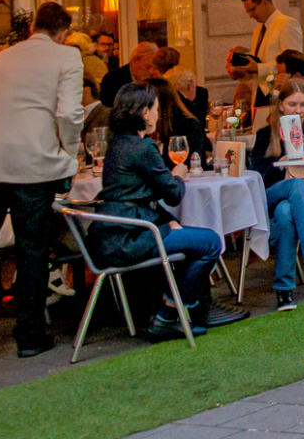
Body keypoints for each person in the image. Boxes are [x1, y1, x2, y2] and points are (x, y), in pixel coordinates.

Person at [0, 2, 87, 369]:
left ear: (32, 27)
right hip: (33, 164)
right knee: (32, 250)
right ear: (62, 33)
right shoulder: (66, 56)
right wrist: (68, 155)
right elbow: (69, 114)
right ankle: (29, 336)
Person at [91, 83, 248, 341]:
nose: (158, 113)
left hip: (113, 234)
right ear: (144, 113)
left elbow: (136, 193)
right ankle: (169, 313)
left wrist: (166, 221)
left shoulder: (118, 144)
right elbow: (172, 193)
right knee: (210, 242)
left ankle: (188, 309)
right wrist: (179, 175)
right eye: (155, 108)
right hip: (131, 237)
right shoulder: (143, 148)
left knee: (189, 238)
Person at [246, 83, 304, 311]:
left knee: (286, 213)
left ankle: (284, 290)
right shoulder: (266, 135)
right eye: (292, 104)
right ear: (281, 106)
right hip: (272, 193)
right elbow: (259, 177)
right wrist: (285, 161)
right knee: (294, 185)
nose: (298, 110)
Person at [233, 0, 302, 75]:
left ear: (264, 2)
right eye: (248, 11)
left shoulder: (287, 24)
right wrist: (244, 71)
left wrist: (258, 68)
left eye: (253, 9)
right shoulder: (258, 30)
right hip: (259, 87)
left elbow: (293, 64)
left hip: (278, 87)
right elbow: (260, 61)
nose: (250, 15)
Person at [97, 42, 158, 111]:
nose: (152, 71)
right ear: (135, 61)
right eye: (148, 67)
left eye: (155, 67)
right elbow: (107, 111)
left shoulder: (155, 79)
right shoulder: (112, 79)